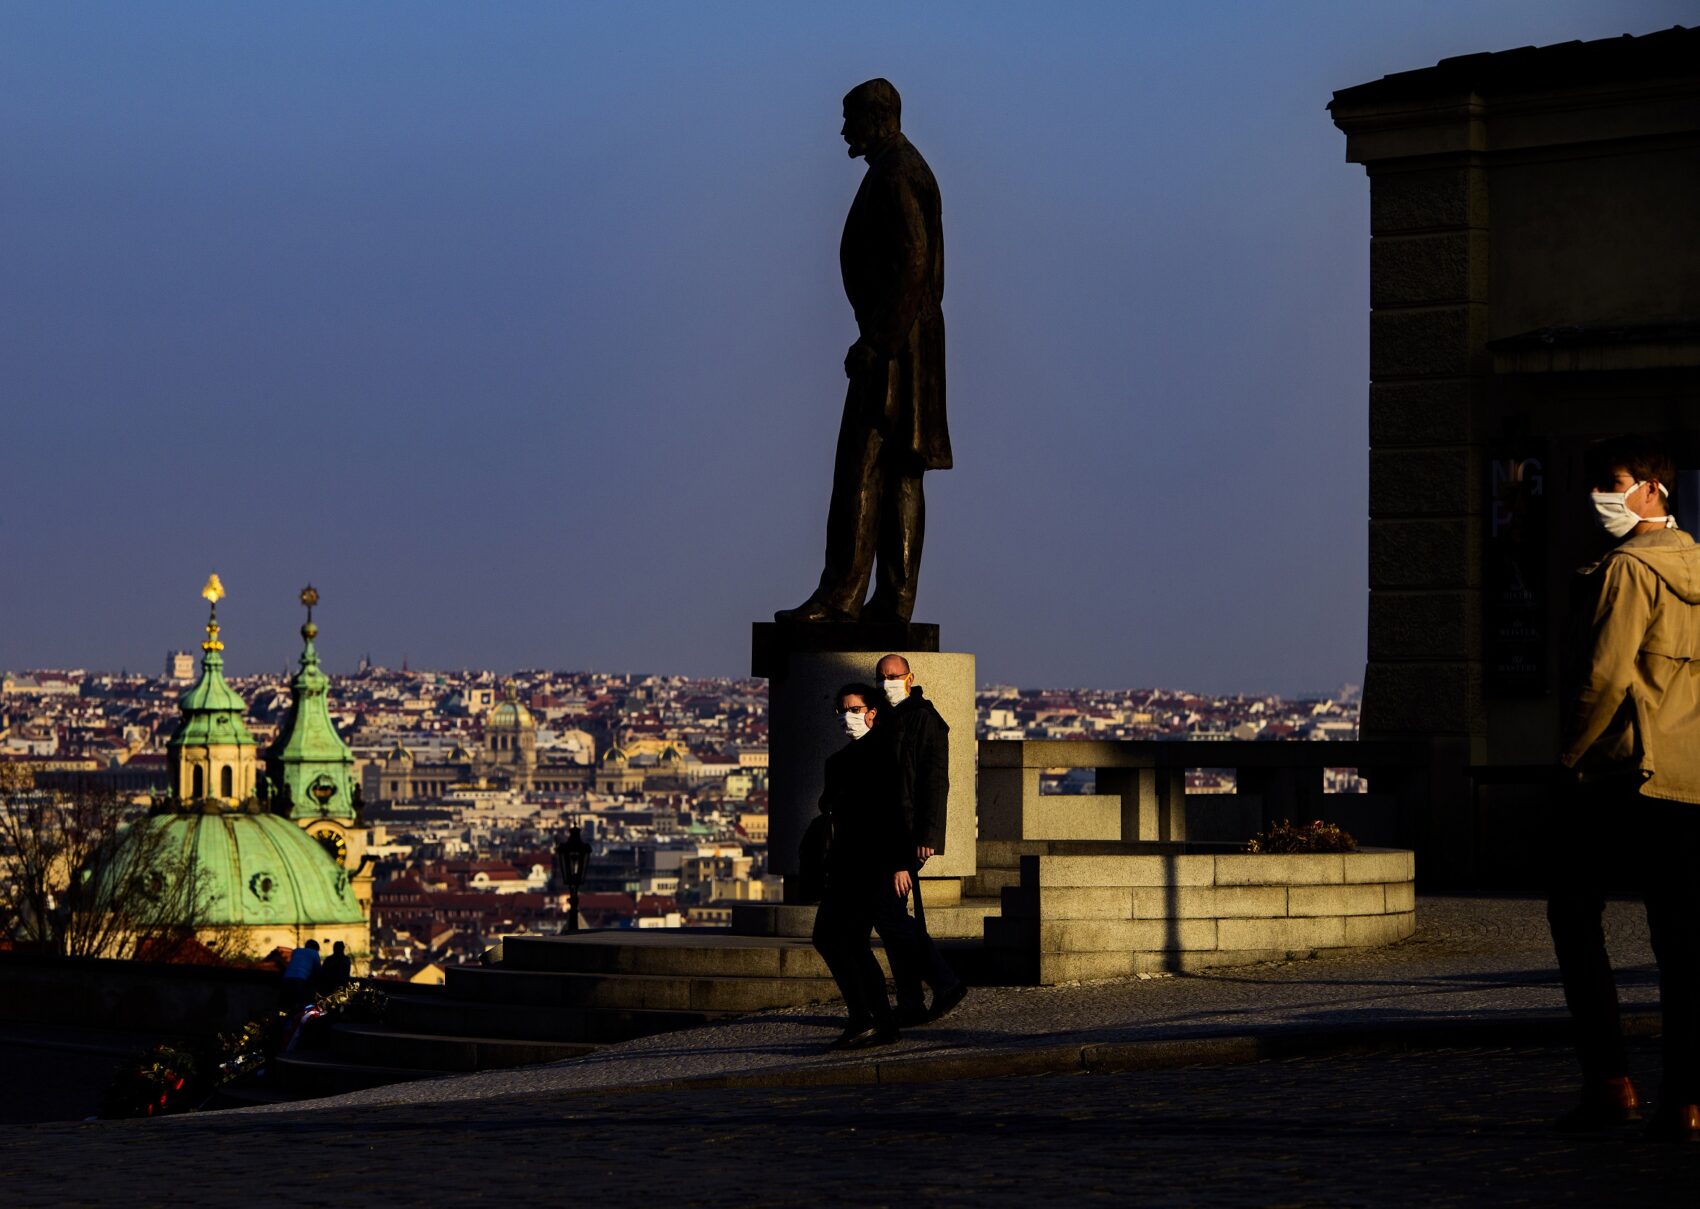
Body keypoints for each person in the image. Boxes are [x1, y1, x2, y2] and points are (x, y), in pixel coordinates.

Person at [1548, 435, 1700, 1141]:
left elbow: (1604, 679)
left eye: (1612, 483)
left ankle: (1611, 1081)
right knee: (1682, 940)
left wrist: (1568, 756)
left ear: (1652, 489)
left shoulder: (1627, 571)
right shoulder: (1697, 563)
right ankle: (1687, 1097)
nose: (1598, 499)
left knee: (1574, 912)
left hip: (1623, 771)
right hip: (1690, 779)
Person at [776, 78, 949, 625]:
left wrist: (875, 343)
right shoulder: (901, 167)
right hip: (908, 341)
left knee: (863, 465)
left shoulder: (897, 173)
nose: (843, 129)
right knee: (900, 468)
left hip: (894, 346)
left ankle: (842, 597)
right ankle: (893, 602)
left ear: (878, 119)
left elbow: (915, 264)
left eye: (850, 118)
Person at [810, 683, 919, 1050]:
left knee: (835, 938)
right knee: (844, 941)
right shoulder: (841, 760)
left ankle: (868, 1018)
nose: (846, 717)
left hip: (870, 866)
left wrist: (902, 864)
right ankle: (875, 1020)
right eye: (841, 710)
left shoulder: (885, 753)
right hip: (847, 863)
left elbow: (897, 813)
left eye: (854, 709)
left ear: (872, 712)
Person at [874, 653, 965, 1024]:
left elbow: (935, 780)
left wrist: (927, 835)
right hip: (883, 830)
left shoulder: (925, 718)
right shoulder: (882, 716)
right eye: (881, 677)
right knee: (892, 916)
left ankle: (942, 983)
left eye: (893, 676)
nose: (887, 683)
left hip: (907, 833)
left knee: (890, 915)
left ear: (909, 677)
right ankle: (913, 999)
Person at [280, 938, 321, 1011]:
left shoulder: (296, 950)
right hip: (300, 979)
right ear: (316, 948)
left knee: (287, 1002)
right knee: (299, 1003)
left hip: (287, 977)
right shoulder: (314, 953)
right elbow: (318, 970)